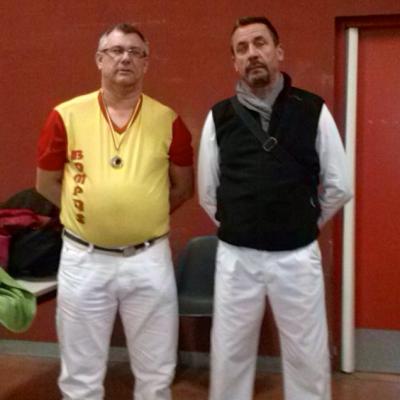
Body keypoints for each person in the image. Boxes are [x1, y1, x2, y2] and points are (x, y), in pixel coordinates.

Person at [36, 23, 193, 400]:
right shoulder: (65, 115)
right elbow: (46, 183)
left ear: (146, 64)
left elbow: (183, 187)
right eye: (116, 51)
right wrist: (86, 214)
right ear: (99, 59)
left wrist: (143, 215)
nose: (125, 58)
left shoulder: (168, 120)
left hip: (149, 259)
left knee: (156, 373)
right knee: (80, 375)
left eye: (135, 52)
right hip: (84, 259)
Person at [198, 16, 352, 400]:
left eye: (260, 43)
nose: (252, 53)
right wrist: (243, 223)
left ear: (278, 52)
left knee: (307, 356)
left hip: (296, 257)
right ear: (235, 62)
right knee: (230, 354)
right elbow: (208, 193)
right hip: (236, 258)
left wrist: (302, 222)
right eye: (242, 48)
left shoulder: (312, 110)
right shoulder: (219, 117)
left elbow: (339, 185)